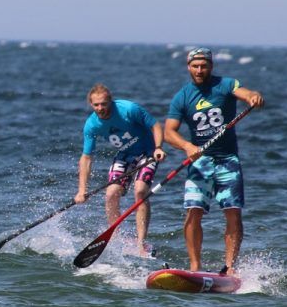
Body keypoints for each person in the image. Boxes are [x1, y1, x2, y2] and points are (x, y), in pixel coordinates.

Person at [163, 48, 264, 273]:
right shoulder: (183, 96)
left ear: (211, 66)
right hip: (200, 161)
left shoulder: (226, 84)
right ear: (188, 67)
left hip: (228, 160)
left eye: (204, 66)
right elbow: (168, 132)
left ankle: (229, 267)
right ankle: (195, 266)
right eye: (195, 66)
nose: (200, 70)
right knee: (193, 210)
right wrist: (188, 146)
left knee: (233, 211)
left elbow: (245, 93)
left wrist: (253, 96)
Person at [75, 84, 166, 257]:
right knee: (111, 194)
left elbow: (155, 126)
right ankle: (115, 238)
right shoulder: (91, 125)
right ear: (91, 105)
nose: (100, 108)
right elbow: (86, 158)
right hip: (125, 156)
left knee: (140, 191)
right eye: (96, 105)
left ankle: (141, 244)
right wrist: (82, 191)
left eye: (104, 104)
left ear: (111, 101)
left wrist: (159, 147)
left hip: (148, 152)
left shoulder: (129, 109)